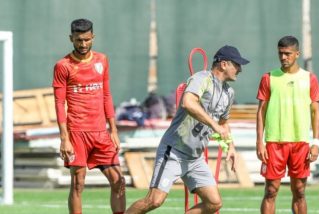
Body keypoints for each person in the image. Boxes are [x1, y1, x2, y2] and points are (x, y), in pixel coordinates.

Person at [125, 45, 250, 214]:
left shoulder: (229, 93)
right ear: (223, 64)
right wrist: (214, 125)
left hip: (195, 158)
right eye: (236, 64)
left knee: (214, 203)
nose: (240, 69)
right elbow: (188, 102)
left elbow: (223, 123)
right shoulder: (201, 78)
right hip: (174, 151)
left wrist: (230, 146)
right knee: (154, 200)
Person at [52, 18, 125, 214]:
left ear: (93, 37)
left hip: (101, 133)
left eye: (86, 40)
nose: (83, 44)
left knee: (119, 181)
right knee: (78, 184)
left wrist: (114, 130)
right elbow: (59, 103)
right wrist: (64, 138)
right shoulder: (63, 66)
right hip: (77, 134)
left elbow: (107, 95)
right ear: (71, 39)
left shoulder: (102, 60)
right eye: (78, 40)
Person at [256, 36, 319, 214]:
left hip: (300, 143)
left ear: (297, 54)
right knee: (270, 191)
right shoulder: (268, 78)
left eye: (287, 54)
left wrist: (315, 142)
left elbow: (316, 112)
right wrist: (259, 141)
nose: (283, 57)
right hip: (274, 143)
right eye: (280, 53)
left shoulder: (310, 79)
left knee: (300, 191)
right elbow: (261, 111)